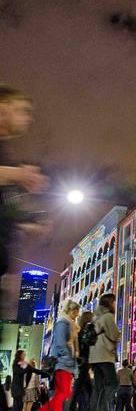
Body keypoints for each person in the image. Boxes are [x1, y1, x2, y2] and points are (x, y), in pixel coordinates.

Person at [0, 87, 49, 313]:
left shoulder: (6, 151)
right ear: (4, 107)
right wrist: (18, 175)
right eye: (23, 110)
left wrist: (25, 223)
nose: (28, 118)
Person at [42, 299, 80, 411]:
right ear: (70, 311)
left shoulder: (68, 324)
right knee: (63, 394)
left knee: (63, 394)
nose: (75, 317)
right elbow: (60, 344)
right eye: (75, 314)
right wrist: (68, 358)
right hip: (62, 364)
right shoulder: (62, 323)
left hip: (65, 364)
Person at [89, 293, 120, 411]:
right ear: (109, 303)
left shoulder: (96, 317)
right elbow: (114, 335)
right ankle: (104, 408)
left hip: (94, 357)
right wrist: (119, 334)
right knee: (113, 383)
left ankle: (94, 408)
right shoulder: (108, 316)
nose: (115, 304)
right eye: (114, 301)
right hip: (105, 355)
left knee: (98, 386)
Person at [71, 311, 94, 411]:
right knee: (79, 392)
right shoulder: (86, 331)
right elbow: (88, 346)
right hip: (83, 364)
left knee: (86, 391)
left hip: (81, 364)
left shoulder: (79, 332)